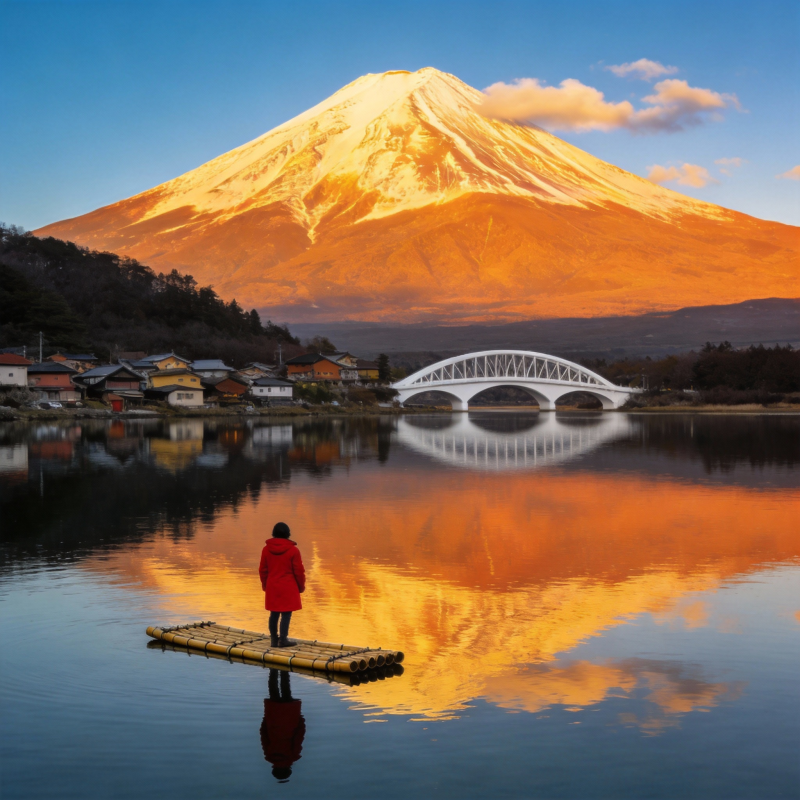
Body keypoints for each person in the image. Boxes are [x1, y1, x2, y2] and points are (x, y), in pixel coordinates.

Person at [259, 521, 306, 648]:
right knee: (286, 614)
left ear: (273, 533)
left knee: (274, 613)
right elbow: (299, 571)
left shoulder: (266, 550)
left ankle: (274, 640)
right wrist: (301, 587)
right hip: (288, 586)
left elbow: (263, 570)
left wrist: (265, 585)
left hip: (272, 585)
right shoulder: (293, 550)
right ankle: (283, 639)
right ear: (288, 534)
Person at [260, 669, 305, 782]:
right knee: (273, 689)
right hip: (273, 717)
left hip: (290, 718)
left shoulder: (293, 756)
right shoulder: (268, 755)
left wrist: (301, 721)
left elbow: (299, 736)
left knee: (286, 689)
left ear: (289, 769)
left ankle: (284, 670)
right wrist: (265, 720)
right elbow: (263, 735)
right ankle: (273, 669)